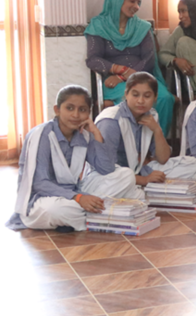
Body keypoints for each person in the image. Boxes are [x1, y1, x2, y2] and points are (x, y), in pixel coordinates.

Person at [7, 85, 142, 232]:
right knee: (56, 210)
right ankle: (96, 212)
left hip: (75, 191)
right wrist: (78, 198)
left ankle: (87, 212)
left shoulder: (84, 134)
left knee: (126, 175)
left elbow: (106, 169)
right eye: (69, 108)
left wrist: (96, 133)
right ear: (57, 110)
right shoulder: (41, 135)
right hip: (43, 198)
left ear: (89, 113)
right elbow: (39, 183)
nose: (76, 115)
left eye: (82, 110)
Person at [94, 72, 196, 191]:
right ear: (126, 94)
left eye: (147, 96)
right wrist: (144, 180)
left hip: (138, 171)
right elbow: (105, 169)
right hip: (113, 178)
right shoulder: (111, 120)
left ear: (155, 98)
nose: (141, 101)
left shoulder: (151, 116)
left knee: (190, 164)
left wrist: (157, 130)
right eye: (135, 95)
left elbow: (163, 159)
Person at [85, 0, 174, 134]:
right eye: (132, 1)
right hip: (113, 80)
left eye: (138, 2)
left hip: (142, 76)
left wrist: (123, 76)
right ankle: (129, 144)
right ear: (118, 0)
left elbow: (149, 59)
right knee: (129, 100)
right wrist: (120, 70)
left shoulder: (142, 27)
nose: (136, 7)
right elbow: (93, 59)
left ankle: (157, 143)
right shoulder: (98, 26)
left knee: (165, 98)